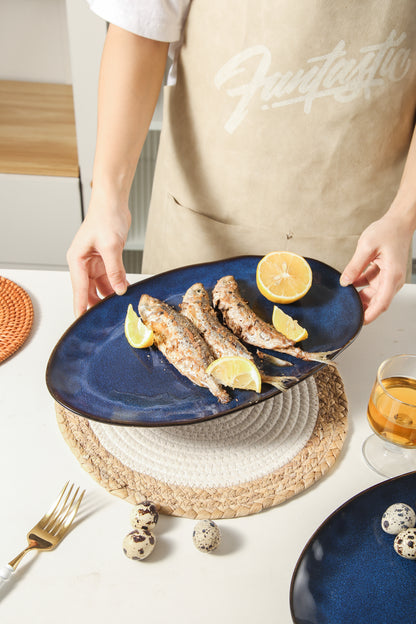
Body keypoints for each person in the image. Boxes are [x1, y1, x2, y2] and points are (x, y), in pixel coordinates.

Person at [67, 1, 416, 325]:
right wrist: (107, 201)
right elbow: (140, 28)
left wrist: (404, 216)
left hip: (359, 248)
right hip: (202, 224)